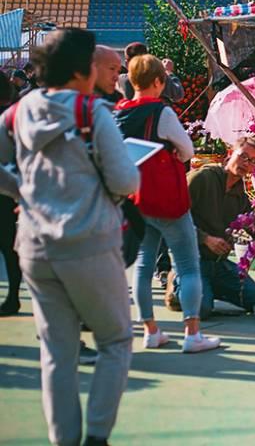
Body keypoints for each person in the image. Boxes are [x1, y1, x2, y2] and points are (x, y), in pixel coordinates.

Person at [0, 29, 140, 446]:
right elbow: (125, 177)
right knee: (115, 339)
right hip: (89, 242)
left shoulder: (17, 112)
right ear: (84, 69)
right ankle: (97, 436)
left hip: (34, 246)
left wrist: (23, 189)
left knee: (57, 353)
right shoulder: (91, 112)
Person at [114, 54, 220, 353]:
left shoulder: (118, 112)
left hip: (137, 198)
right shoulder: (161, 112)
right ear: (159, 81)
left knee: (143, 264)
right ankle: (193, 333)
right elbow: (187, 150)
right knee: (187, 265)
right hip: (168, 201)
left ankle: (150, 330)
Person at [169, 137, 255, 319]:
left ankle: (207, 288)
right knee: (201, 311)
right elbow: (173, 216)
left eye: (253, 161)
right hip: (190, 259)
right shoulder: (202, 178)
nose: (246, 164)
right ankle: (177, 282)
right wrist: (205, 238)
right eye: (243, 156)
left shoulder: (241, 198)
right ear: (230, 153)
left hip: (218, 265)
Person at [0, 71, 21, 316]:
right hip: (10, 192)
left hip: (7, 190)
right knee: (10, 248)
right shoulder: (14, 115)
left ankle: (13, 296)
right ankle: (14, 295)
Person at [117, 42, 184, 104]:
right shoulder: (156, 79)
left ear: (126, 63)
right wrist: (168, 71)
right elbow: (178, 94)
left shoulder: (121, 80)